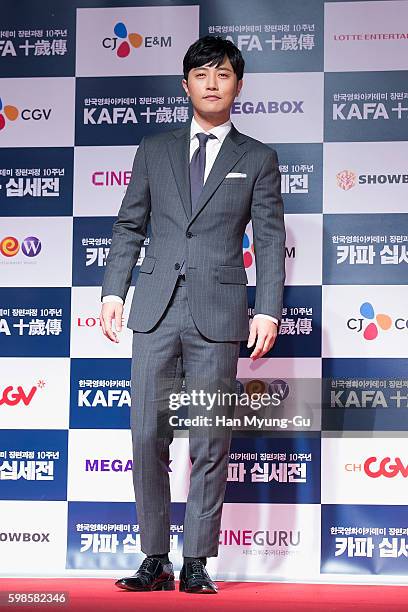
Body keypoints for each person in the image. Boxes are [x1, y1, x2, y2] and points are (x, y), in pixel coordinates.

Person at [100, 35, 285, 594]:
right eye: (201, 74)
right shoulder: (153, 149)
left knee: (209, 438)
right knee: (145, 434)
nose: (211, 83)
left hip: (219, 312)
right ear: (185, 86)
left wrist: (269, 310)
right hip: (154, 308)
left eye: (222, 74)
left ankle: (198, 560)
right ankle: (155, 557)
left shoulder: (257, 158)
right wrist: (114, 291)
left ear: (238, 85)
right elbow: (130, 224)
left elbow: (271, 243)